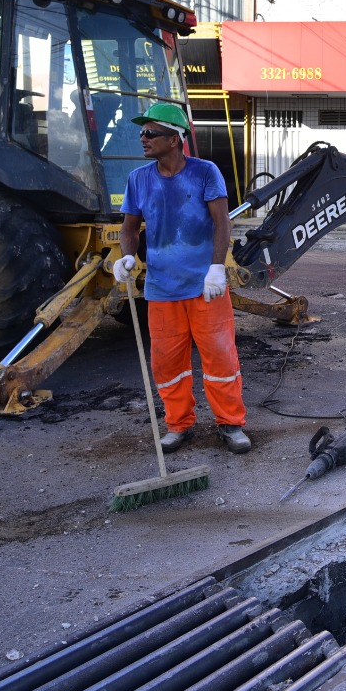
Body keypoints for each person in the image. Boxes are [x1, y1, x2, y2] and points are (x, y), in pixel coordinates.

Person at [112, 102, 251, 455]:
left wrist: (216, 267)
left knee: (220, 358)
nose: (142, 138)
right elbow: (129, 227)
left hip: (206, 287)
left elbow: (223, 223)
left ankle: (230, 424)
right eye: (142, 132)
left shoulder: (205, 173)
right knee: (167, 363)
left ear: (175, 139)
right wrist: (127, 256)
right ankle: (178, 425)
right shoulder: (139, 179)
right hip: (162, 289)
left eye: (150, 133)